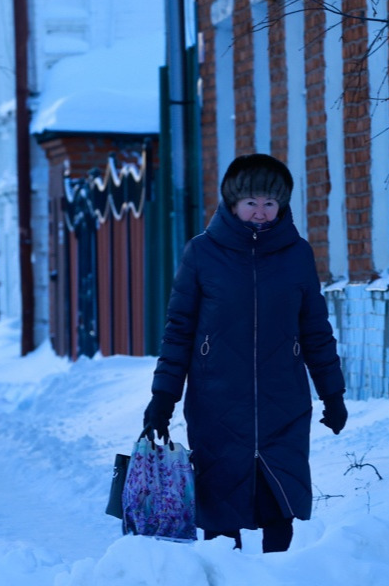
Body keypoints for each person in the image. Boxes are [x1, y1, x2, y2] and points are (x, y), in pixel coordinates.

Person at [142, 153, 347, 553]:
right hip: (217, 403)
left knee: (281, 503)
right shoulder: (202, 253)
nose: (260, 212)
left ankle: (280, 580)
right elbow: (179, 332)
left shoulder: (297, 254)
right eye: (251, 202)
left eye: (269, 203)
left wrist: (332, 394)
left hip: (283, 403)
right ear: (232, 203)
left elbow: (315, 330)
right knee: (220, 509)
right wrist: (163, 398)